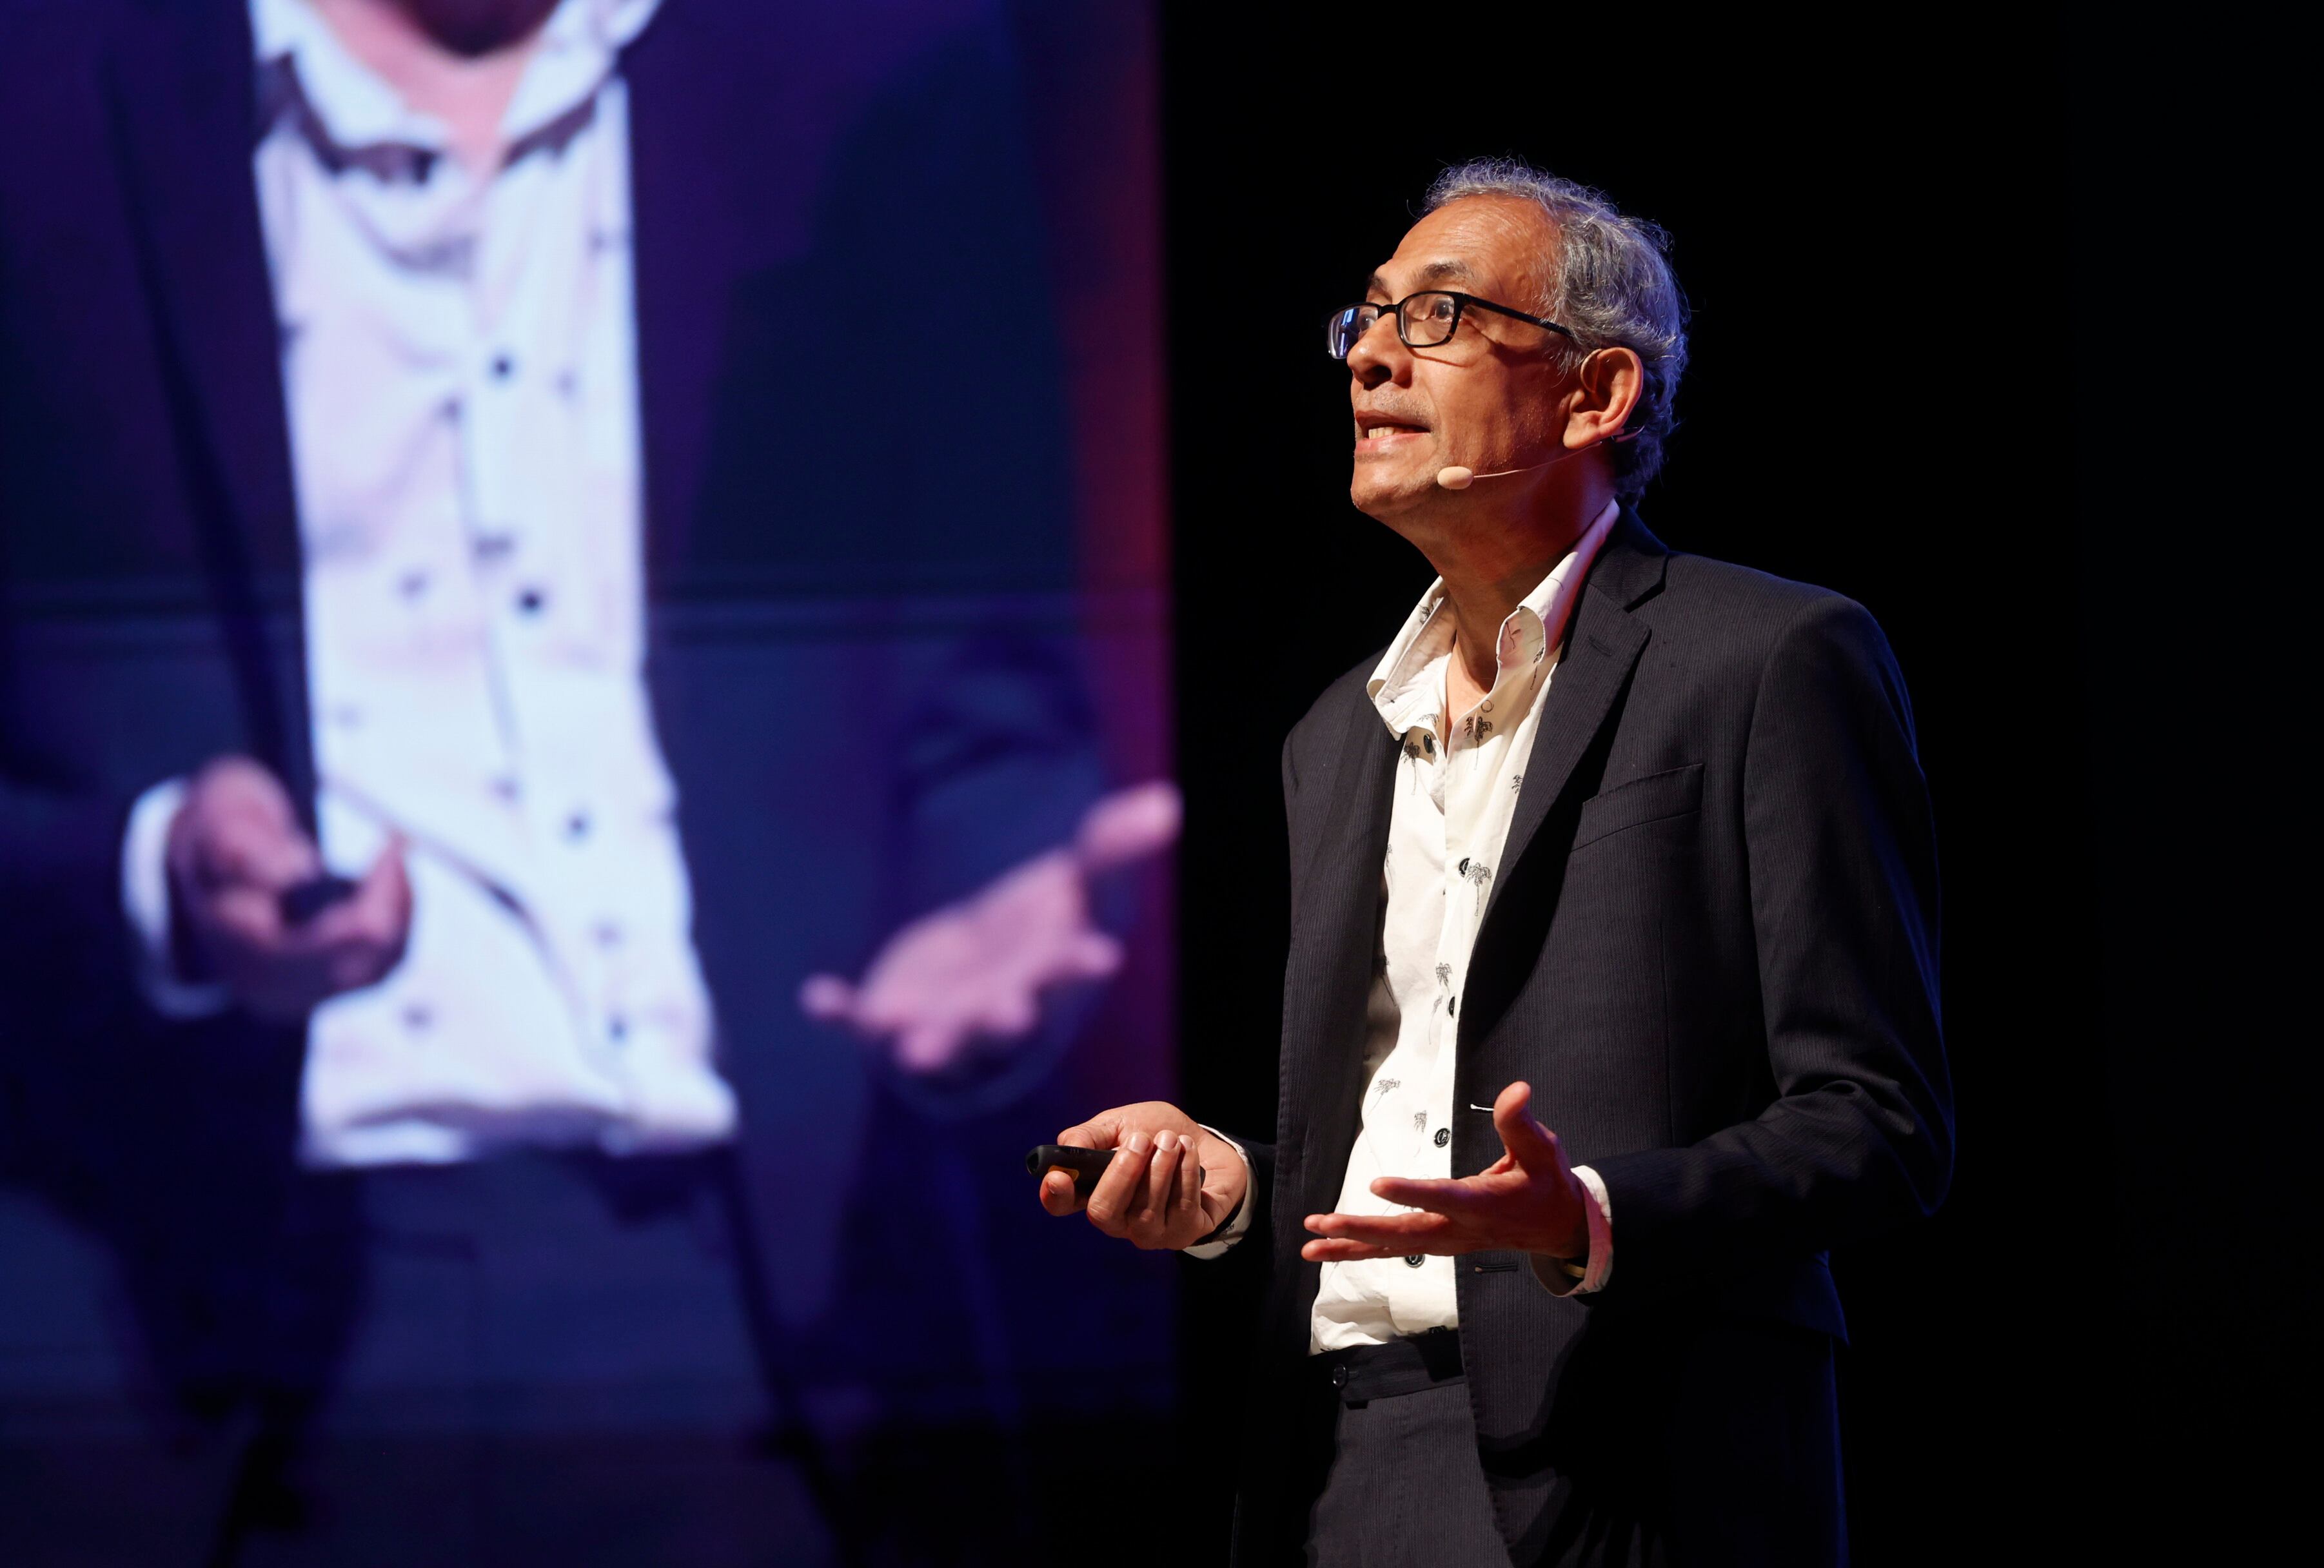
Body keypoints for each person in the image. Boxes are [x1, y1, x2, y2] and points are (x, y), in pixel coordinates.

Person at [0, 1, 1169, 1562]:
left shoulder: (868, 61)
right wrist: (151, 881)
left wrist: (987, 911)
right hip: (180, 1313)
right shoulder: (50, 77)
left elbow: (980, 690)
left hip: (741, 1294)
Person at [1041, 159, 1953, 1565]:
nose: (1375, 361)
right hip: (1342, 1463)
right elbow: (1405, 1152)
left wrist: (1588, 1215)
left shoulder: (1767, 661)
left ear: (1596, 395)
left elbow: (1878, 1122)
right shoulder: (1334, 737)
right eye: (1367, 321)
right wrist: (1231, 1188)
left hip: (1641, 1456)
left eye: (1443, 316)